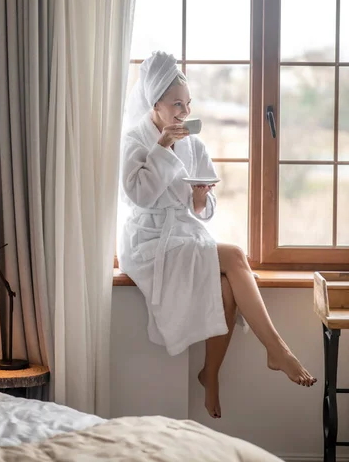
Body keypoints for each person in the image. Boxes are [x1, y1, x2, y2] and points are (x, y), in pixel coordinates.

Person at [117, 51, 316, 419]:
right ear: (154, 102)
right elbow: (140, 195)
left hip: (182, 232)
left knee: (227, 288)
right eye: (176, 104)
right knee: (237, 256)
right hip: (147, 241)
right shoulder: (134, 140)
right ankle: (276, 349)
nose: (184, 112)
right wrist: (161, 146)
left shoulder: (193, 143)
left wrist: (198, 200)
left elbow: (205, 207)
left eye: (188, 104)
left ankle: (210, 374)